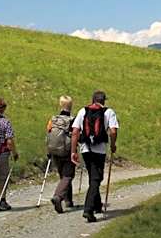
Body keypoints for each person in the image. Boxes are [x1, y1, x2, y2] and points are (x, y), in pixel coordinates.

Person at [71, 91, 119, 223]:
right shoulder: (109, 112)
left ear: (92, 100)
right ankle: (88, 209)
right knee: (96, 179)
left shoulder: (83, 111)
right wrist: (113, 145)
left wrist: (73, 151)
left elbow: (75, 131)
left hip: (85, 149)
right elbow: (113, 131)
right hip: (100, 150)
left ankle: (97, 205)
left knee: (94, 177)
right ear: (104, 101)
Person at [47, 95, 76, 213]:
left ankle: (68, 201)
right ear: (71, 105)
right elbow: (76, 134)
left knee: (63, 176)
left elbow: (48, 134)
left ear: (60, 105)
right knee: (68, 176)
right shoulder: (72, 120)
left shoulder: (53, 119)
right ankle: (58, 197)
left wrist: (48, 151)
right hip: (67, 151)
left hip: (54, 151)